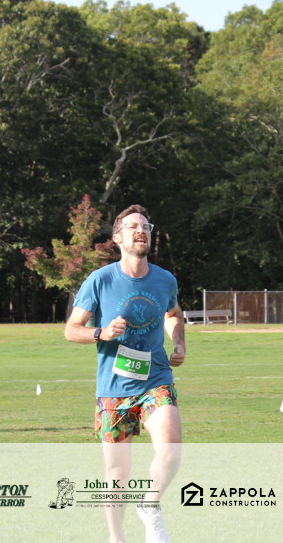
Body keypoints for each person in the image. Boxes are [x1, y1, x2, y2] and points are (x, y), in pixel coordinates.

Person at [65, 204, 186, 543]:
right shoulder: (100, 280)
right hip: (113, 388)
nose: (141, 230)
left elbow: (173, 314)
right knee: (117, 473)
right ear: (118, 237)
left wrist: (178, 342)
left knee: (171, 452)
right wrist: (101, 333)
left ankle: (149, 505)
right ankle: (116, 538)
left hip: (155, 380)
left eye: (146, 226)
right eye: (133, 226)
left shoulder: (165, 280)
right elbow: (71, 329)